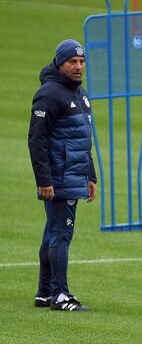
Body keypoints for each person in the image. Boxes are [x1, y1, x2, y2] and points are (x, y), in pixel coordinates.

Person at [28, 39, 96, 311]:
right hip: (58, 179)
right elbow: (36, 140)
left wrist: (89, 175)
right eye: (72, 62)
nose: (78, 67)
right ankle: (59, 294)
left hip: (73, 175)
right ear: (59, 63)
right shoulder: (49, 95)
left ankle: (45, 292)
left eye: (81, 62)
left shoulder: (79, 93)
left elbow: (82, 138)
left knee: (52, 234)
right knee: (60, 236)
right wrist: (44, 180)